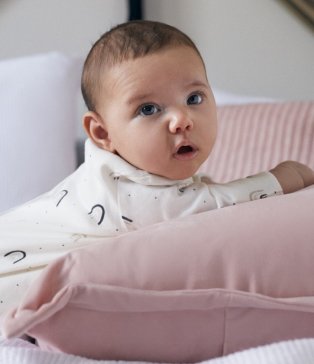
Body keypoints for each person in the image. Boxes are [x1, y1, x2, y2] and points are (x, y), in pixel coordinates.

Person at [0, 20, 313, 315]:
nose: (181, 119)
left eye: (194, 97)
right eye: (148, 109)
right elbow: (205, 210)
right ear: (103, 133)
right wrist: (280, 178)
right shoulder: (117, 188)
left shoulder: (146, 182)